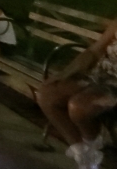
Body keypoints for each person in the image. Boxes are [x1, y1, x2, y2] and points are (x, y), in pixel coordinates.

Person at [38, 16, 117, 169]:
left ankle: (92, 149)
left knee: (79, 106)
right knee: (47, 94)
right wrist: (65, 73)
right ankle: (83, 154)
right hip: (98, 78)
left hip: (114, 87)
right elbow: (94, 51)